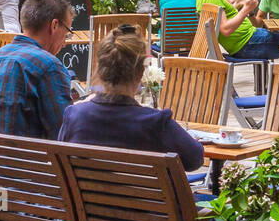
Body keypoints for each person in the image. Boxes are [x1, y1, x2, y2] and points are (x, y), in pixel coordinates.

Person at [59, 26, 204, 170]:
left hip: (86, 193)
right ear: (141, 72)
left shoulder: (74, 115)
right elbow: (195, 160)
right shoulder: (156, 123)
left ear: (100, 68)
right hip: (145, 193)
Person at [0, 0, 74, 139]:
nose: (65, 42)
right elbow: (64, 133)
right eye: (67, 33)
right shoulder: (48, 66)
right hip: (30, 161)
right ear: (54, 25)